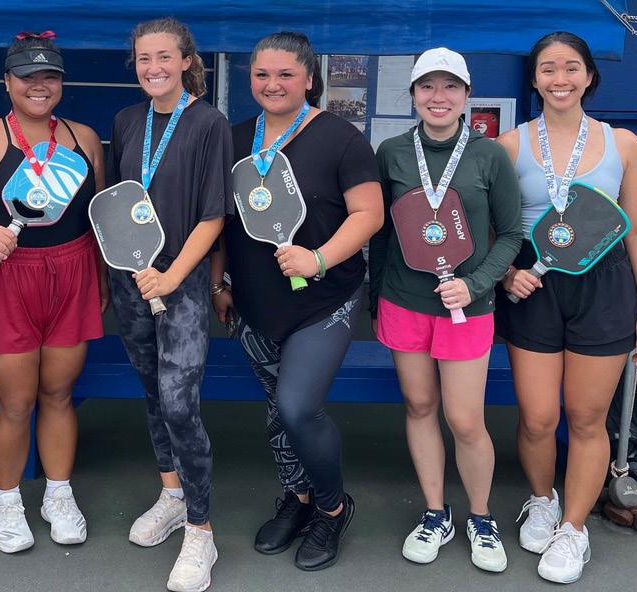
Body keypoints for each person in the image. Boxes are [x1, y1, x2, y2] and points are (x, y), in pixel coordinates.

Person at [210, 31, 382, 571]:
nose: (272, 84)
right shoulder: (235, 139)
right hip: (255, 303)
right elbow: (219, 222)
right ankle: (299, 496)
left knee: (297, 407)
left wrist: (319, 259)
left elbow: (369, 215)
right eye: (262, 74)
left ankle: (331, 508)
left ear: (309, 78)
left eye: (285, 74)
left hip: (324, 300)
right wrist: (218, 283)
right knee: (276, 411)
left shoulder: (340, 138)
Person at [495, 31, 637, 584]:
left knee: (587, 418)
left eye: (570, 68)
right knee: (539, 417)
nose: (559, 79)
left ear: (589, 76)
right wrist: (509, 273)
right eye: (548, 69)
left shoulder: (624, 144)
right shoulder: (510, 145)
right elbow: (494, 230)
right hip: (534, 286)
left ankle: (573, 529)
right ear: (534, 79)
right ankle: (542, 500)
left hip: (603, 286)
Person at [0, 31, 107, 554]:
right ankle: (7, 500)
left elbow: (100, 214)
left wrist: (102, 278)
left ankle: (59, 495)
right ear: (7, 82)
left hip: (73, 272)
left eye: (49, 77)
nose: (39, 86)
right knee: (15, 402)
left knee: (59, 393)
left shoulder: (85, 138)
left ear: (62, 83)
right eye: (27, 76)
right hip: (8, 276)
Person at [368, 47, 522, 573]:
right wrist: (376, 297)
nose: (439, 96)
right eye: (427, 86)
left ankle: (482, 517)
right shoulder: (391, 152)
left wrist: (475, 285)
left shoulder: (489, 155)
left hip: (467, 307)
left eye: (450, 86)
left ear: (467, 94)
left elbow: (512, 234)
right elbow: (382, 234)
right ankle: (437, 513)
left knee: (465, 419)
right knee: (419, 406)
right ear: (413, 94)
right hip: (403, 302)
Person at [105, 17, 232, 592]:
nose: (152, 68)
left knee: (180, 402)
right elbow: (117, 205)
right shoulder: (126, 120)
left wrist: (173, 276)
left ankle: (201, 531)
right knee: (154, 392)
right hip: (131, 281)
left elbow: (214, 214)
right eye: (143, 58)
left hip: (180, 284)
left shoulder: (209, 123)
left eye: (163, 57)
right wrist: (134, 273)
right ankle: (172, 496)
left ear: (186, 61)